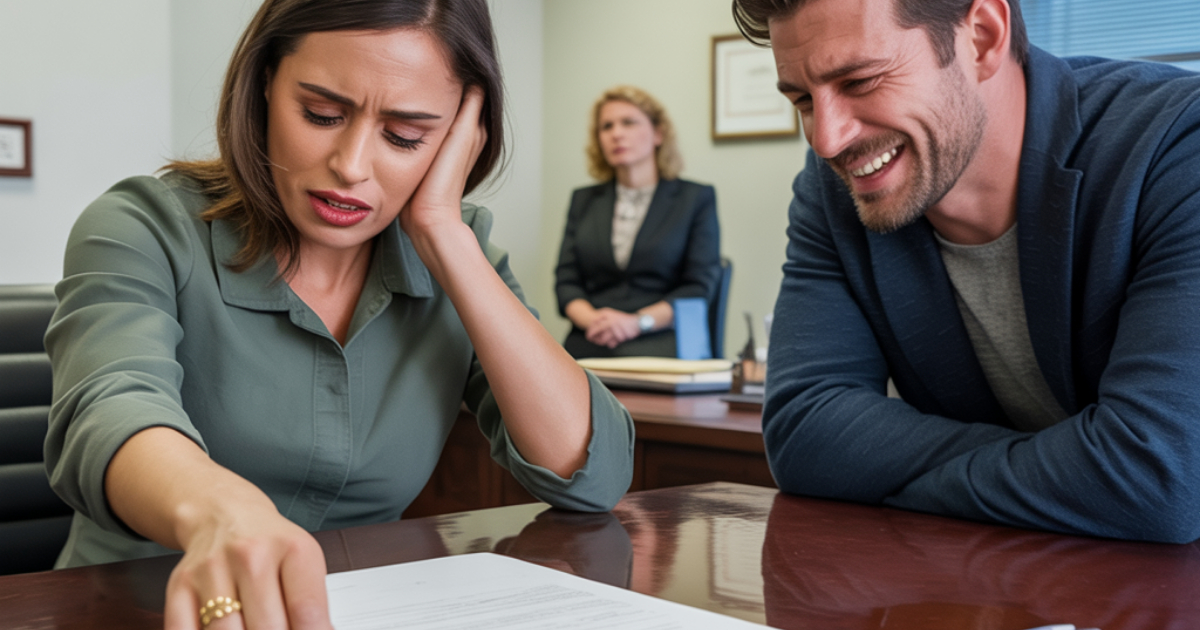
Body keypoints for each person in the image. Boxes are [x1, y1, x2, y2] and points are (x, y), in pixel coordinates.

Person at [43, 0, 635, 628]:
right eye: (321, 114)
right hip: (134, 610)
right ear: (265, 82)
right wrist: (224, 513)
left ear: (462, 134)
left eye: (405, 136)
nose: (351, 166)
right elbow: (108, 409)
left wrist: (444, 233)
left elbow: (591, 475)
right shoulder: (141, 225)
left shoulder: (458, 256)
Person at [731, 0, 1200, 543]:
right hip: (993, 576)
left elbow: (1159, 476)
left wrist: (877, 472)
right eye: (802, 100)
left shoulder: (1178, 145)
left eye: (859, 81)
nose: (827, 140)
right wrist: (1093, 470)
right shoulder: (837, 192)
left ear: (982, 36)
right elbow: (804, 432)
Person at [554, 86, 721, 359]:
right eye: (606, 126)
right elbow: (566, 281)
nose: (616, 134)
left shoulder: (695, 199)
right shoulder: (583, 200)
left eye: (628, 122)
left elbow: (698, 287)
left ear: (658, 134)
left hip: (661, 341)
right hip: (590, 340)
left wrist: (636, 323)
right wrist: (595, 322)